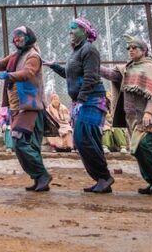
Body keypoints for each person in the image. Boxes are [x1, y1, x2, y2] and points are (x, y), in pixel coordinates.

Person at [101, 36, 152, 196]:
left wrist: (149, 112)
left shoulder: (149, 68)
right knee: (138, 150)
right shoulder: (128, 69)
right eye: (128, 48)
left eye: (134, 48)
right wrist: (94, 65)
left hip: (149, 119)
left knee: (145, 147)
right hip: (133, 120)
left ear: (144, 50)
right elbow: (112, 75)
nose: (131, 50)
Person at [44, 18, 114, 193]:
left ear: (84, 31)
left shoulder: (89, 50)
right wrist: (54, 66)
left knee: (85, 139)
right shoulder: (76, 52)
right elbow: (70, 75)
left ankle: (104, 177)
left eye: (73, 28)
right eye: (69, 29)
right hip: (82, 101)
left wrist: (81, 100)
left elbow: (91, 77)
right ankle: (101, 179)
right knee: (85, 141)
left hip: (92, 100)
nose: (70, 32)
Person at [0, 26, 50, 191]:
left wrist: (8, 76)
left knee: (19, 142)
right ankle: (39, 179)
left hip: (30, 106)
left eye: (20, 36)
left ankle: (42, 175)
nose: (17, 39)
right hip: (17, 107)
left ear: (28, 37)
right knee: (29, 145)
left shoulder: (33, 55)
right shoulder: (16, 56)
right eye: (15, 37)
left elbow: (27, 73)